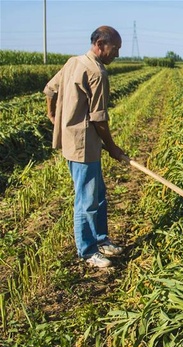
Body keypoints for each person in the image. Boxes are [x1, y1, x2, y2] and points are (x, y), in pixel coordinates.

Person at [44, 26, 126, 268]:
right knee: (86, 200)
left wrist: (52, 115)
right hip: (83, 146)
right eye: (115, 49)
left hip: (73, 141)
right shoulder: (97, 73)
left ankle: (101, 240)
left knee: (98, 195)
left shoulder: (73, 62)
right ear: (100, 45)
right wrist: (112, 148)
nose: (117, 55)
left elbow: (50, 89)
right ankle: (87, 250)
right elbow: (99, 118)